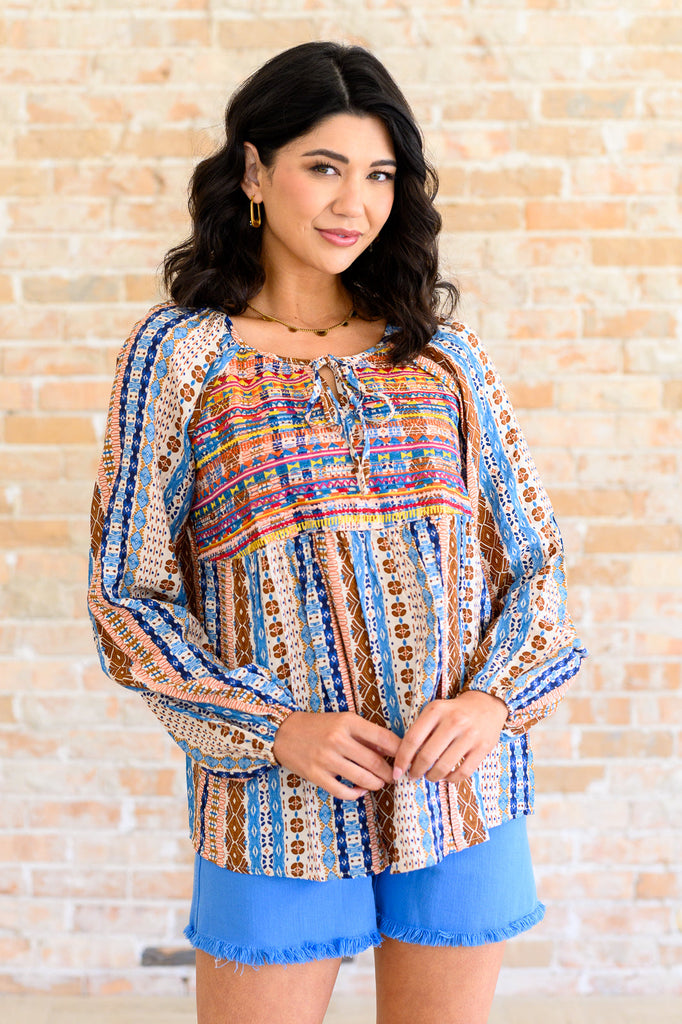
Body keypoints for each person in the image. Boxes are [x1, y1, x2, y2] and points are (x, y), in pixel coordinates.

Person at [87, 40, 586, 1024]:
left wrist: (493, 700)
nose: (353, 202)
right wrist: (273, 728)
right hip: (275, 804)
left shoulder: (443, 359)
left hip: (458, 794)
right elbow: (125, 595)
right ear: (253, 172)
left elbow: (532, 561)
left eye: (380, 175)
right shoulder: (179, 358)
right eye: (323, 167)